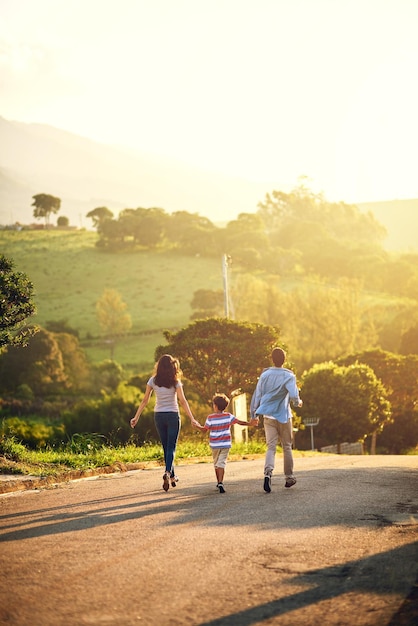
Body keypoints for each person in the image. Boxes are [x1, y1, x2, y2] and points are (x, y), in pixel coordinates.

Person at [130, 354, 199, 492]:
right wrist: (192, 418)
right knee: (171, 447)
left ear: (159, 366)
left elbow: (145, 400)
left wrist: (136, 417)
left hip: (159, 416)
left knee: (166, 447)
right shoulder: (175, 382)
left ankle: (172, 477)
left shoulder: (153, 381)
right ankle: (168, 472)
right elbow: (183, 401)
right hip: (173, 416)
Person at [250, 347, 302, 493]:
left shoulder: (265, 375)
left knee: (271, 447)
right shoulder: (289, 376)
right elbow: (293, 394)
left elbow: (258, 395)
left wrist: (253, 414)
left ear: (272, 359)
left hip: (268, 416)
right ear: (284, 360)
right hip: (284, 416)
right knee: (287, 446)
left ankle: (267, 474)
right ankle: (289, 477)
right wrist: (298, 402)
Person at [195, 393, 254, 494]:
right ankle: (220, 482)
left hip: (214, 445)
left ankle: (219, 482)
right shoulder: (228, 416)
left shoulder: (210, 418)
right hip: (225, 444)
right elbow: (239, 422)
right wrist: (249, 423)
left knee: (217, 463)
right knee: (221, 463)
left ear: (216, 406)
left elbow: (204, 430)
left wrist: (197, 425)